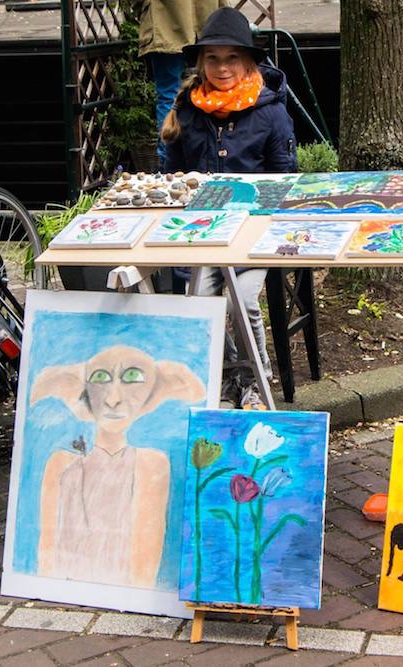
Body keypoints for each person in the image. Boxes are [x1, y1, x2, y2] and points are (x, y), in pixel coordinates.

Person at [161, 6, 297, 409]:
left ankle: (256, 381)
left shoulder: (270, 111)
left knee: (244, 301)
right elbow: (172, 178)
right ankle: (226, 377)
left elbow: (284, 179)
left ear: (249, 61)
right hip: (202, 237)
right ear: (201, 63)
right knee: (199, 300)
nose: (222, 67)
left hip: (252, 238)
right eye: (213, 58)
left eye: (232, 58)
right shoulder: (188, 108)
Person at [31, 345, 205, 586]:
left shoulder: (152, 464)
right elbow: (47, 549)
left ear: (152, 395)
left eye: (132, 377)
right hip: (65, 585)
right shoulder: (61, 465)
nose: (113, 399)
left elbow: (145, 560)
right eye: (100, 377)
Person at [134, 0, 228, 164]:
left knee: (168, 94)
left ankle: (168, 162)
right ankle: (213, 157)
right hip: (208, 18)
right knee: (212, 88)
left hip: (165, 19)